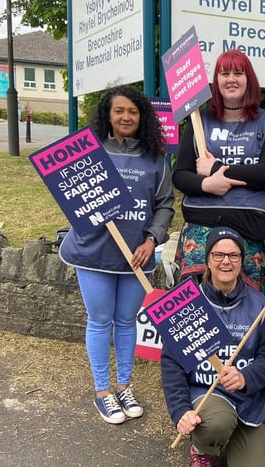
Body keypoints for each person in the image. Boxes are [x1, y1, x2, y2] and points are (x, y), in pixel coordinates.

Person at [59, 85, 175, 424]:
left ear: (143, 117)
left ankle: (124, 386)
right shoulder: (87, 152)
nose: (126, 117)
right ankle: (103, 392)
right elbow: (70, 195)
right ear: (107, 115)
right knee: (99, 321)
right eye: (119, 111)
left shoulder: (156, 157)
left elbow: (165, 205)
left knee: (126, 322)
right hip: (93, 252)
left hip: (136, 257)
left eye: (133, 112)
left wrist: (152, 240)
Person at [161, 227, 265, 467]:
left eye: (233, 255)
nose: (226, 261)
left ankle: (233, 433)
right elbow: (171, 364)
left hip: (248, 402)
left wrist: (245, 377)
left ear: (241, 262)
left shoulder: (261, 305)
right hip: (207, 396)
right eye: (218, 255)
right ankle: (203, 447)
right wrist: (180, 411)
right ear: (207, 260)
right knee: (215, 425)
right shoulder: (187, 303)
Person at [173, 49, 265, 293]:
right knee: (197, 306)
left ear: (249, 80)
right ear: (216, 81)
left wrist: (216, 169)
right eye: (224, 73)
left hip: (250, 226)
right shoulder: (198, 121)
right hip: (201, 225)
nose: (231, 79)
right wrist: (206, 185)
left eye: (238, 73)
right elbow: (180, 174)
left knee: (248, 306)